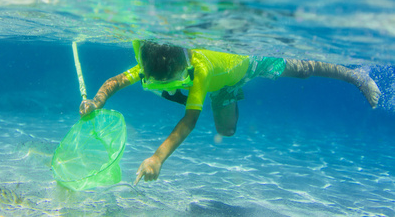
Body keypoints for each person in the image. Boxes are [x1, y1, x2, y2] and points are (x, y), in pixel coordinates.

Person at [79, 40, 381, 185]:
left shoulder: (200, 68)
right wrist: (96, 101)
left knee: (301, 70)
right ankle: (223, 91)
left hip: (246, 65)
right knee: (225, 130)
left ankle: (355, 75)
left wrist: (157, 158)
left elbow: (189, 120)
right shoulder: (153, 62)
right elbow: (115, 81)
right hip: (216, 82)